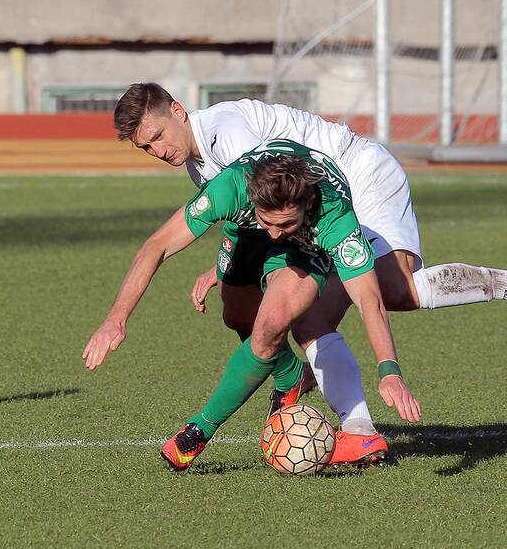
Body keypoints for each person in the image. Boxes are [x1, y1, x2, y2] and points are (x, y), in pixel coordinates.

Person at [98, 82, 507, 467]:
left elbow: (273, 198)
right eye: (146, 147)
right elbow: (258, 213)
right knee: (302, 319)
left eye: (158, 136)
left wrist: (391, 369)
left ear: (178, 111)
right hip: (307, 204)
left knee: (392, 289)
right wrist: (224, 266)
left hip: (356, 177)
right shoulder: (205, 164)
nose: (157, 150)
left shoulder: (228, 134)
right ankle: (359, 432)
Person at [84, 142, 422, 472]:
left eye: (285, 224)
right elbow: (157, 246)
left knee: (269, 326)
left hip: (304, 248)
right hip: (244, 233)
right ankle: (290, 375)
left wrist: (388, 370)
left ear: (306, 205)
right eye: (268, 221)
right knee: (236, 318)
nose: (275, 234)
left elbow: (369, 300)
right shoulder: (230, 188)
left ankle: (199, 429)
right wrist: (116, 319)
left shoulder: (335, 217)